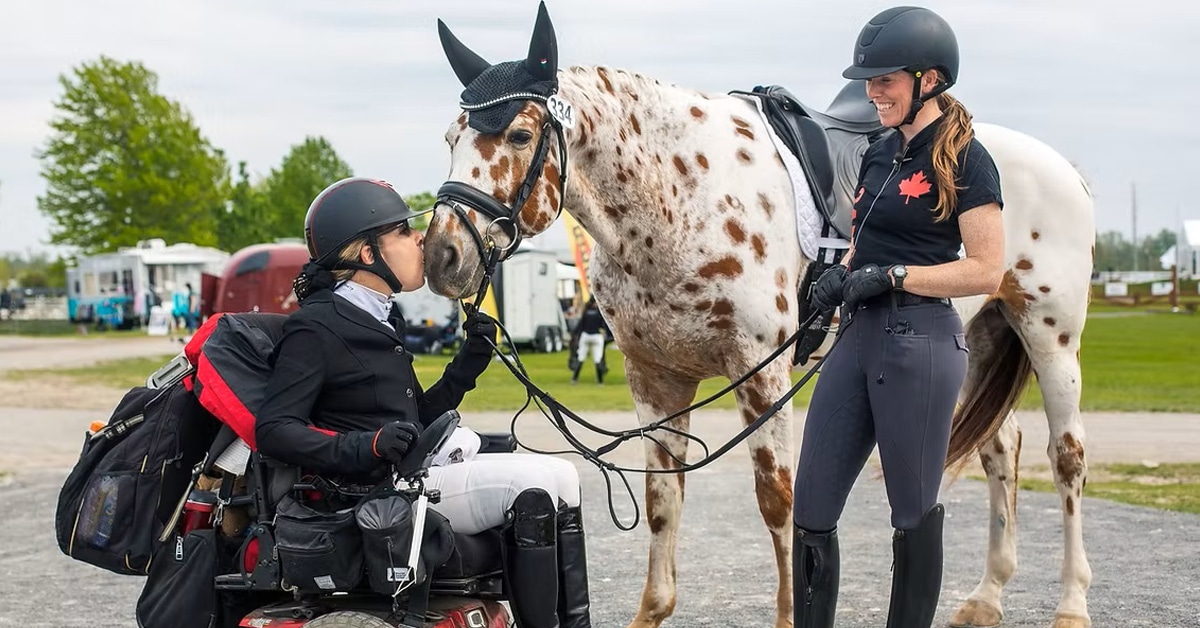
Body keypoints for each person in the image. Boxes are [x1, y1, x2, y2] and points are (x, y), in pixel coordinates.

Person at [254, 177, 592, 628]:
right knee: (531, 485)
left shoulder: (379, 317)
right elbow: (274, 430)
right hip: (378, 494)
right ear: (366, 254)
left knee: (564, 475)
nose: (420, 238)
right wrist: (367, 445)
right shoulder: (315, 328)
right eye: (402, 231)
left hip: (413, 474)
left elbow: (413, 422)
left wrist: (466, 366)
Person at [792, 7, 1005, 628]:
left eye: (885, 78)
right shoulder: (879, 151)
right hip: (858, 339)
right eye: (869, 79)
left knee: (911, 512)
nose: (872, 90)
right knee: (811, 506)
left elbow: (988, 270)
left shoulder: (969, 160)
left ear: (930, 79)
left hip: (921, 343)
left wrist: (894, 277)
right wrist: (839, 275)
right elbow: (869, 241)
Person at [569, 298, 608, 385]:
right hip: (596, 336)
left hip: (585, 336)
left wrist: (574, 334)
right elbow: (604, 326)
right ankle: (600, 382)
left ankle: (574, 379)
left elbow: (580, 325)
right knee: (597, 359)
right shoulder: (599, 313)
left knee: (581, 358)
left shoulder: (586, 313)